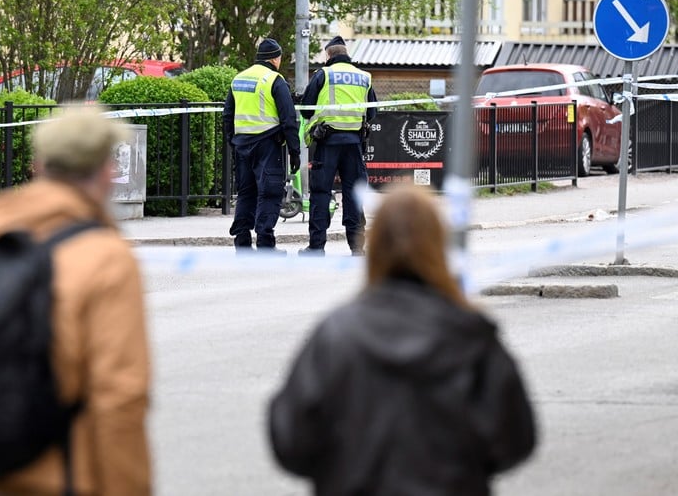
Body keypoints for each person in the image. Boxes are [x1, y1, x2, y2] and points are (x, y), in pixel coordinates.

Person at [269, 185, 537, 496]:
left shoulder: (337, 334)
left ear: (374, 245)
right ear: (439, 245)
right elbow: (515, 438)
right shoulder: (469, 334)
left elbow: (291, 438)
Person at [0, 107, 152, 495]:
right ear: (105, 171)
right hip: (62, 475)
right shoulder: (104, 257)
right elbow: (119, 396)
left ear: (39, 166)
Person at [298, 35, 377, 256]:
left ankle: (316, 247)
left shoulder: (323, 75)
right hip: (354, 143)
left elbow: (306, 110)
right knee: (354, 194)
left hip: (327, 142)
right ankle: (357, 248)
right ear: (346, 53)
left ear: (328, 55)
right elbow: (372, 112)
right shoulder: (364, 77)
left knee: (321, 192)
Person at [223, 38, 301, 253]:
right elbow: (288, 119)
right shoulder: (274, 80)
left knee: (246, 193)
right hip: (268, 145)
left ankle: (242, 241)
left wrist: (233, 140)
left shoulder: (238, 79)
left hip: (242, 146)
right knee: (269, 193)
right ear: (275, 59)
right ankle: (266, 244)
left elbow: (227, 114)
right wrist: (295, 152)